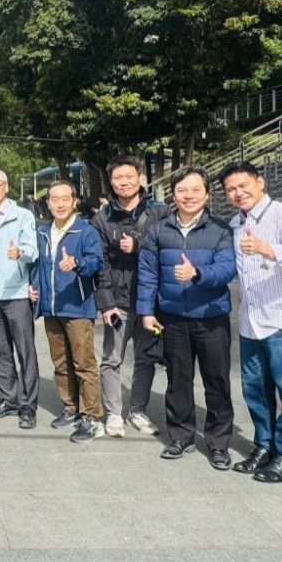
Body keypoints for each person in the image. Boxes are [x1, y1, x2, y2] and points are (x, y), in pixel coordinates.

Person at [220, 162, 282, 483]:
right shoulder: (235, 223)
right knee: (255, 391)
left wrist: (265, 248)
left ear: (259, 182)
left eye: (243, 185)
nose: (238, 193)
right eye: (231, 189)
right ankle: (265, 446)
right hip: (250, 322)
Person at [137, 166, 237, 470]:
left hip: (211, 318)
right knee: (178, 380)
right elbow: (147, 273)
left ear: (206, 194)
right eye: (182, 190)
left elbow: (227, 269)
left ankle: (218, 443)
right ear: (173, 194)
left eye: (195, 190)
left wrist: (197, 274)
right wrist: (145, 310)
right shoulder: (159, 230)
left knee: (217, 381)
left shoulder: (221, 230)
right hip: (173, 318)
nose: (189, 196)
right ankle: (180, 436)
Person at [91, 155, 171, 438]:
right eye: (117, 178)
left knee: (146, 357)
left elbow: (170, 250)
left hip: (150, 302)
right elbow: (98, 263)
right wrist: (106, 303)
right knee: (112, 358)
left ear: (140, 178)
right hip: (118, 302)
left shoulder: (160, 213)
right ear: (110, 182)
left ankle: (138, 410)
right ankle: (113, 414)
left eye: (129, 176)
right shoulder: (102, 218)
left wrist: (139, 246)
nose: (123, 182)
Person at [33, 180, 106, 443]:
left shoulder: (85, 231)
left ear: (75, 201)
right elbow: (38, 267)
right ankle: (71, 408)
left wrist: (76, 262)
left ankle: (92, 418)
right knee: (61, 364)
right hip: (52, 307)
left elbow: (96, 262)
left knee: (84, 364)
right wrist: (34, 289)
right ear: (48, 203)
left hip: (77, 307)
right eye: (54, 199)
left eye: (65, 198)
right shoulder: (43, 232)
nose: (60, 203)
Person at [0, 168, 41, 429]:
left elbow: (33, 250)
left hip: (16, 292)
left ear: (5, 186)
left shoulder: (22, 216)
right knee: (0, 350)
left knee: (26, 351)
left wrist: (19, 252)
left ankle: (28, 405)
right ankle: (8, 398)